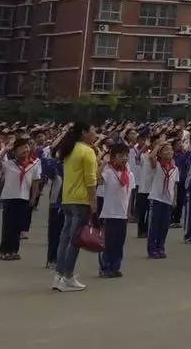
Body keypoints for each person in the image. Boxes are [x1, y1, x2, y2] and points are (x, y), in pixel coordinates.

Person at [52, 122, 98, 292]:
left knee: (65, 239)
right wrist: (93, 202)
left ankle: (59, 275)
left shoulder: (70, 149)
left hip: (68, 198)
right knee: (74, 240)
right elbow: (91, 180)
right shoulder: (87, 151)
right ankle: (68, 277)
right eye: (93, 130)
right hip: (81, 200)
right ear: (84, 133)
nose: (95, 134)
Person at [0, 137, 40, 260]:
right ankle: (5, 251)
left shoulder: (34, 164)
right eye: (21, 148)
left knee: (18, 226)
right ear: (15, 151)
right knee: (8, 225)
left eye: (26, 147)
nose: (25, 149)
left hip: (24, 197)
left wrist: (33, 197)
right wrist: (5, 150)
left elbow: (36, 182)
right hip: (10, 197)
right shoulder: (9, 163)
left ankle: (14, 250)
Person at [97, 142, 134, 278]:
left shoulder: (129, 174)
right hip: (110, 213)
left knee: (119, 243)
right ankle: (105, 267)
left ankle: (115, 266)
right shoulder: (108, 172)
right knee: (108, 242)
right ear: (113, 158)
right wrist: (103, 163)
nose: (124, 158)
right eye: (120, 156)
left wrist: (129, 212)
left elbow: (129, 195)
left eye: (126, 156)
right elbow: (97, 179)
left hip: (122, 215)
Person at [147, 140, 179, 258]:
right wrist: (159, 145)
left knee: (164, 226)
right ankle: (152, 249)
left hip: (168, 200)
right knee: (154, 225)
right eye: (166, 150)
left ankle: (160, 247)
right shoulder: (157, 165)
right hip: (156, 198)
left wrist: (174, 199)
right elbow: (151, 156)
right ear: (160, 154)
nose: (169, 152)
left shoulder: (175, 168)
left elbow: (175, 184)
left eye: (171, 150)